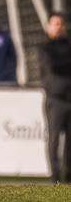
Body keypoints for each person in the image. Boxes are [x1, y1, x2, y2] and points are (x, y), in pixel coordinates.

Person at [40, 12, 71, 183]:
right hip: (56, 100)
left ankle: (68, 178)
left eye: (61, 23)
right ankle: (55, 178)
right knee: (54, 139)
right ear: (48, 26)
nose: (58, 27)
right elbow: (54, 67)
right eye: (55, 23)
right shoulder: (45, 48)